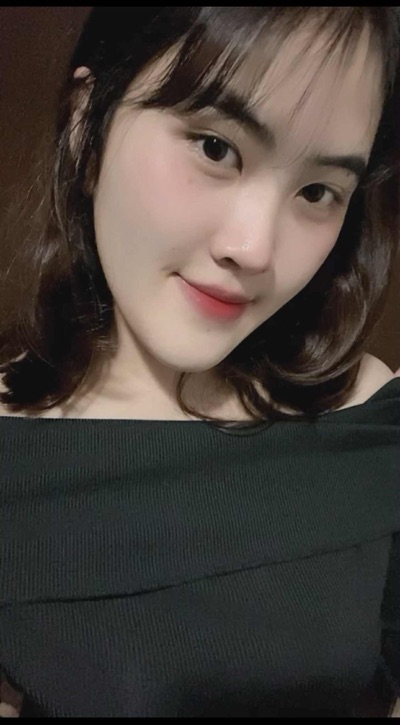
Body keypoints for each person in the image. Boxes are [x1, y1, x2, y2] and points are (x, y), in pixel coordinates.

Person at [0, 6, 399, 718]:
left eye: (317, 192)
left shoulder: (374, 417)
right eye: (216, 148)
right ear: (87, 126)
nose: (255, 248)